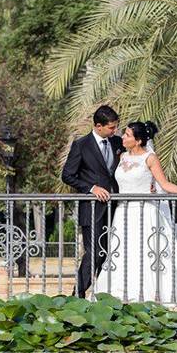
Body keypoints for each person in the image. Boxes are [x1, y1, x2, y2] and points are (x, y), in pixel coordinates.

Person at [89, 121, 177, 303]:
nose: (122, 137)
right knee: (122, 252)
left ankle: (150, 294)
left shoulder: (150, 158)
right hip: (123, 213)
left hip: (145, 212)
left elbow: (164, 184)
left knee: (146, 252)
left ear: (138, 141)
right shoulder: (121, 156)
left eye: (128, 135)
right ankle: (118, 292)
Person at [61, 105, 125, 298]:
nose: (115, 131)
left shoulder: (117, 143)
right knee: (95, 251)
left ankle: (100, 293)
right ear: (98, 126)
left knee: (106, 253)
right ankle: (77, 294)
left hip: (116, 209)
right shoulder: (81, 145)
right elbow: (67, 175)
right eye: (111, 128)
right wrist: (91, 188)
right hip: (92, 209)